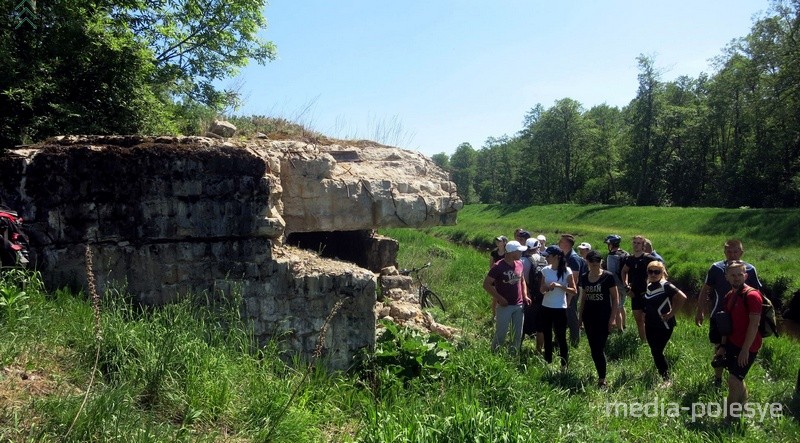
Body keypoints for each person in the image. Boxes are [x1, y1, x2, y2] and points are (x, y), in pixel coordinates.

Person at [694, 239, 763, 385]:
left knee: (739, 348)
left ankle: (736, 379)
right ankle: (718, 379)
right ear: (724, 252)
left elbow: (758, 294)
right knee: (719, 348)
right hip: (720, 316)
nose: (732, 254)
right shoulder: (716, 268)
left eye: (736, 251)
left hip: (741, 319)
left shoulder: (749, 269)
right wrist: (700, 310)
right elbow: (706, 289)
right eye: (729, 252)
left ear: (741, 252)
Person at [714, 260, 764, 423]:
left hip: (748, 346)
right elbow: (726, 323)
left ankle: (729, 419)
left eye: (740, 274)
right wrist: (722, 345)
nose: (736, 278)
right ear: (727, 277)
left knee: (733, 380)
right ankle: (744, 406)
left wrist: (745, 350)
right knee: (737, 379)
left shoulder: (752, 295)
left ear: (746, 275)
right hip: (732, 343)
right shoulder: (729, 295)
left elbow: (754, 324)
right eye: (733, 275)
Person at [577, 250, 619, 388]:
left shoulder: (608, 277)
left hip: (603, 316)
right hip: (589, 316)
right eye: (592, 263)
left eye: (597, 262)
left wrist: (613, 318)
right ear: (587, 262)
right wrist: (580, 317)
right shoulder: (584, 277)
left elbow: (615, 298)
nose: (595, 265)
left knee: (598, 348)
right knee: (593, 347)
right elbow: (583, 297)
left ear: (601, 262)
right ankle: (601, 375)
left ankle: (602, 379)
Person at [642, 261, 687, 386]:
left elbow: (682, 297)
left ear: (662, 272)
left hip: (664, 325)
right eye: (650, 271)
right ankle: (663, 375)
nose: (653, 274)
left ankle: (666, 379)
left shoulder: (665, 285)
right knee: (654, 351)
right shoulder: (649, 285)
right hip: (650, 324)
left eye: (657, 271)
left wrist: (672, 313)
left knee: (657, 351)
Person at [483, 240, 531, 352]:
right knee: (501, 333)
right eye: (519, 251)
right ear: (512, 252)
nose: (521, 253)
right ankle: (494, 354)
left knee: (517, 334)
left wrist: (525, 295)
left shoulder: (519, 264)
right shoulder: (498, 266)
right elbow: (486, 284)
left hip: (519, 305)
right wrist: (500, 298)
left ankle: (513, 356)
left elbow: (522, 280)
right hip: (504, 306)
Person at [539, 245, 577, 368]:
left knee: (561, 336)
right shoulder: (545, 270)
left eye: (548, 256)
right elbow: (541, 290)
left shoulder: (567, 271)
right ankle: (548, 361)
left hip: (560, 307)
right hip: (546, 306)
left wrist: (560, 286)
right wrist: (546, 288)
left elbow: (574, 291)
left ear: (557, 257)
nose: (546, 259)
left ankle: (564, 364)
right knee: (547, 335)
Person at [621, 235, 657, 342]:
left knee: (649, 320)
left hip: (647, 294)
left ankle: (653, 341)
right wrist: (626, 286)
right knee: (639, 320)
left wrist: (653, 287)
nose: (636, 245)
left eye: (638, 243)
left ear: (643, 246)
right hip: (634, 294)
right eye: (634, 243)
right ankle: (643, 342)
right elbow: (624, 271)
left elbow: (661, 272)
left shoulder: (649, 258)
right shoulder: (630, 259)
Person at [559, 234, 586, 348]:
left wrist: (569, 298)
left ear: (567, 244)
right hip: (565, 290)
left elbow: (574, 280)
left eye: (561, 241)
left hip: (571, 292)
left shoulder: (573, 258)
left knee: (572, 316)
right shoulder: (564, 256)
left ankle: (575, 342)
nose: (559, 243)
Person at [522, 238, 546, 352]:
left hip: (527, 295)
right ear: (537, 247)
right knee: (541, 325)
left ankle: (517, 348)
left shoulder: (523, 261)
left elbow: (521, 279)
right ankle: (539, 349)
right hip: (541, 296)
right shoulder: (544, 260)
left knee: (522, 323)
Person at [603, 234, 629, 332]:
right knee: (621, 306)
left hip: (616, 285)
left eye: (608, 244)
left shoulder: (611, 256)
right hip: (625, 284)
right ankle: (624, 324)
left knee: (616, 308)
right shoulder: (625, 253)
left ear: (612, 244)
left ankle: (620, 330)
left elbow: (611, 274)